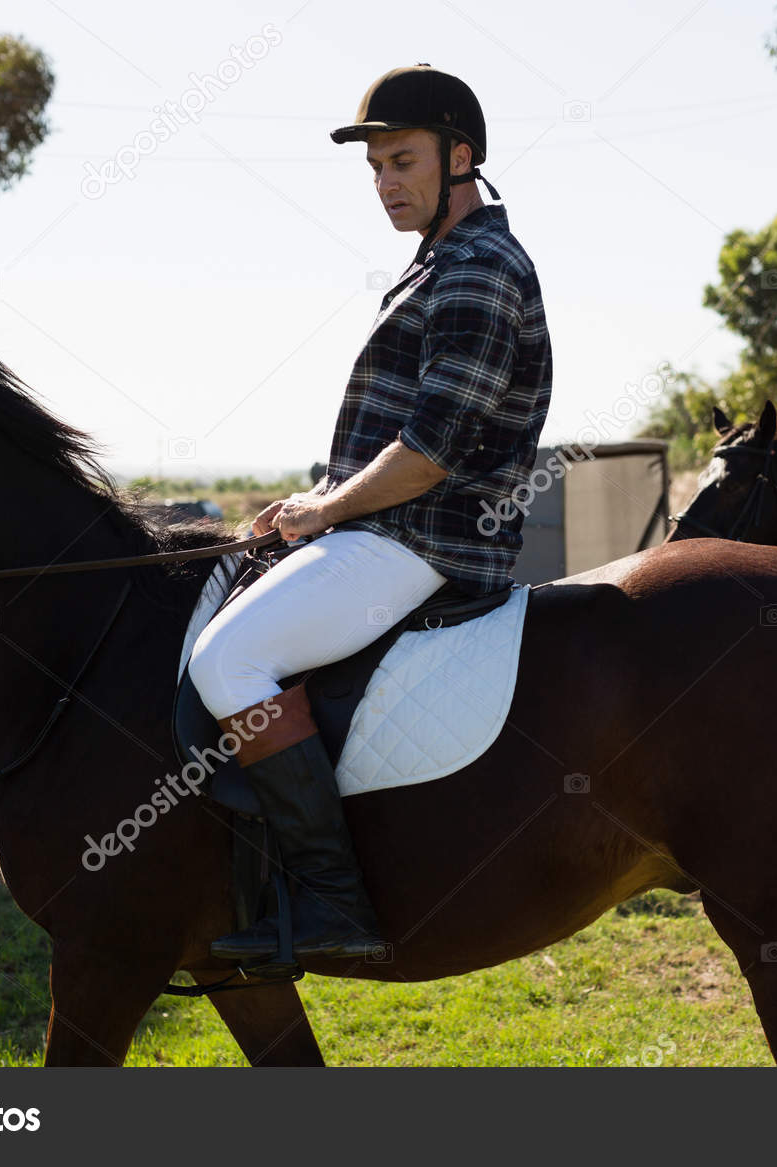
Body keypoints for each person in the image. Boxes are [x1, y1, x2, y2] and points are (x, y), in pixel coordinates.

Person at [188, 64, 553, 964]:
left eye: (403, 161)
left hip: (425, 540)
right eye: (376, 169)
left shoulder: (478, 269)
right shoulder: (437, 265)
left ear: (461, 158)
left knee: (228, 656)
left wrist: (327, 509)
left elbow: (429, 453)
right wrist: (315, 505)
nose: (386, 184)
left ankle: (330, 899)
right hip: (385, 529)